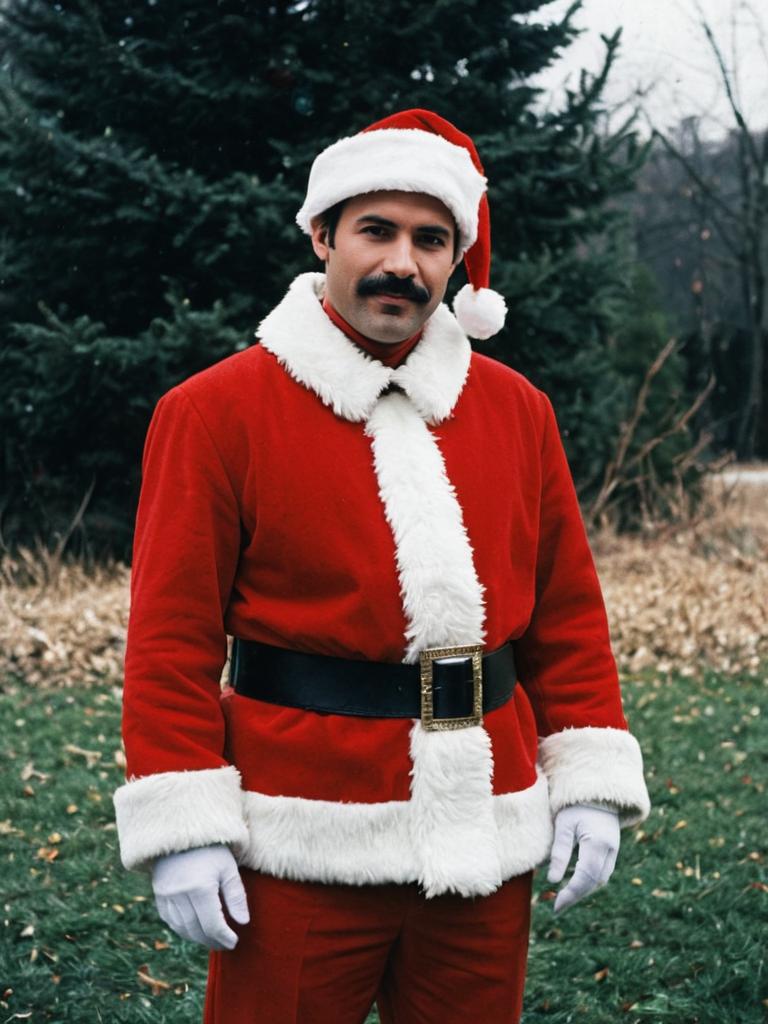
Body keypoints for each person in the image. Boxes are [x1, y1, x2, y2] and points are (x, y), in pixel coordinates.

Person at [114, 109, 651, 1024]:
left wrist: (591, 783)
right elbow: (171, 638)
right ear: (323, 234)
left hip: (484, 824)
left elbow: (566, 616)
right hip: (299, 836)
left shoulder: (518, 411)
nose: (403, 261)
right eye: (377, 230)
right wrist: (183, 833)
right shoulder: (214, 413)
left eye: (431, 240)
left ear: (456, 264)